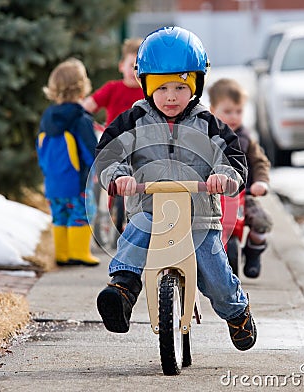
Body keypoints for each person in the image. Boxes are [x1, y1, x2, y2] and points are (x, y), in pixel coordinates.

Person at [94, 26, 257, 352]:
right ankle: (122, 291)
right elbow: (108, 155)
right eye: (162, 87)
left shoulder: (209, 124)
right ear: (146, 86)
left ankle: (236, 311)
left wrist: (225, 176)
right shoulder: (133, 121)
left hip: (198, 216)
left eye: (180, 87)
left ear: (195, 86)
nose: (171, 96)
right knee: (135, 235)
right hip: (148, 209)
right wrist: (118, 176)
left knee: (214, 270)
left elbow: (234, 158)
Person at [36, 58, 100, 267]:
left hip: (53, 182)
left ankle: (62, 255)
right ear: (82, 88)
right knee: (80, 213)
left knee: (60, 215)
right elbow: (91, 150)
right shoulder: (80, 119)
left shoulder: (47, 119)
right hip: (78, 181)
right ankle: (79, 253)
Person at [82, 38, 144, 245]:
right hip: (113, 145)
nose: (134, 71)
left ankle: (133, 221)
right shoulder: (112, 88)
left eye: (139, 67)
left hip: (139, 147)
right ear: (121, 66)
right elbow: (88, 106)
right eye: (130, 66)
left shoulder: (148, 93)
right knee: (103, 182)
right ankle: (102, 215)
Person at [209, 78, 273, 278]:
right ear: (213, 110)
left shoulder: (245, 138)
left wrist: (260, 182)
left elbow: (259, 162)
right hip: (212, 196)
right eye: (228, 112)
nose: (234, 117)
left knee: (262, 221)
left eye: (239, 111)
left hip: (242, 195)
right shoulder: (206, 136)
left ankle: (253, 251)